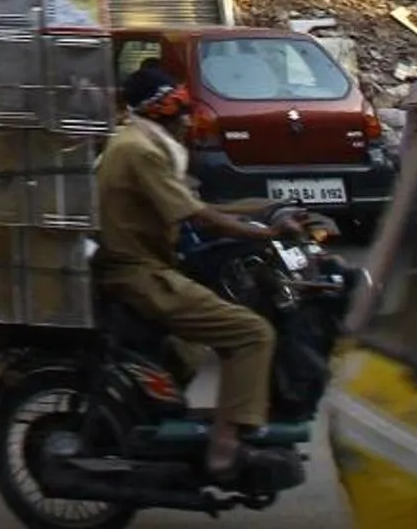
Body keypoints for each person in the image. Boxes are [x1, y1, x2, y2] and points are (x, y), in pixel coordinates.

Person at [94, 62, 299, 481]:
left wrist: (267, 211)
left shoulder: (142, 142)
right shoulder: (141, 151)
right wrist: (261, 232)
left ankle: (167, 429)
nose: (189, 121)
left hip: (142, 266)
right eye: (181, 111)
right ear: (161, 111)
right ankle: (225, 447)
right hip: (138, 273)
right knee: (252, 333)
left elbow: (199, 207)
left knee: (187, 351)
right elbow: (199, 216)